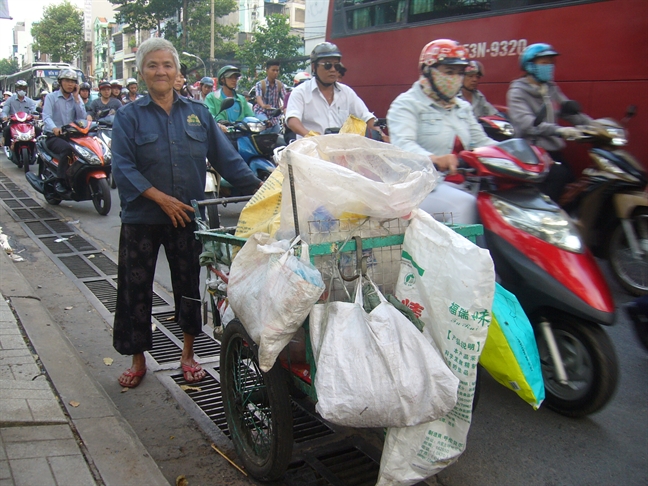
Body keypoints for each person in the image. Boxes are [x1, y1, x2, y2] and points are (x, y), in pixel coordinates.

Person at [111, 37, 262, 388]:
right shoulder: (127, 116)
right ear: (142, 73)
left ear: (177, 72)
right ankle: (138, 360)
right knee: (136, 291)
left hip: (187, 219)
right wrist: (161, 199)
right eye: (153, 65)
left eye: (167, 65)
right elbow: (123, 167)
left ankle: (188, 354)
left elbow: (229, 160)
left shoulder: (198, 113)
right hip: (141, 219)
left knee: (189, 288)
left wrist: (263, 188)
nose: (160, 71)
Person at [387, 39, 496, 224]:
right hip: (424, 187)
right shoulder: (406, 104)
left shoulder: (462, 107)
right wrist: (435, 159)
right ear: (428, 71)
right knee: (465, 205)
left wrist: (516, 153)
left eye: (460, 73)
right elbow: (402, 146)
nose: (455, 78)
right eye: (449, 72)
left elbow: (483, 143)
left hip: (466, 183)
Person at [507, 43, 593, 201]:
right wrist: (560, 131)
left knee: (574, 183)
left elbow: (568, 111)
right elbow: (527, 123)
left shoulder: (550, 89)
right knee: (559, 176)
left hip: (552, 151)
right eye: (544, 63)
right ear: (530, 66)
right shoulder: (517, 91)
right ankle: (541, 218)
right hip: (531, 151)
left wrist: (595, 126)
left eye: (551, 63)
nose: (549, 67)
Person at [286, 42, 376, 138]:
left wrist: (382, 135)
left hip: (340, 149)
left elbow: (366, 116)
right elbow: (293, 120)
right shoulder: (300, 92)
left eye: (336, 66)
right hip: (310, 149)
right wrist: (310, 136)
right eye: (327, 65)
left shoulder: (347, 92)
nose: (333, 69)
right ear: (314, 67)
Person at [42, 69, 86, 194]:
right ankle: (60, 181)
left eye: (73, 82)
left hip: (72, 136)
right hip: (54, 136)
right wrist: (54, 128)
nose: (70, 84)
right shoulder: (51, 97)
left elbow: (82, 117)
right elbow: (46, 116)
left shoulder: (76, 98)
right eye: (67, 81)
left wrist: (77, 98)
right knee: (67, 150)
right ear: (60, 82)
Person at [204, 65, 255, 130]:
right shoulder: (212, 97)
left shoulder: (241, 99)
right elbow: (208, 115)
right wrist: (219, 121)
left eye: (235, 78)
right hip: (220, 135)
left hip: (241, 135)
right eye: (230, 77)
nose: (234, 80)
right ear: (222, 79)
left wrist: (261, 122)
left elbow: (251, 117)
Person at [253, 59, 286, 132]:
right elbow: (259, 98)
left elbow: (285, 99)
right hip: (261, 113)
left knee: (277, 138)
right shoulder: (260, 84)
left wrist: (283, 107)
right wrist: (263, 105)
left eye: (277, 70)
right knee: (264, 130)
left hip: (274, 116)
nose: (275, 73)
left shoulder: (280, 85)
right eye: (273, 70)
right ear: (267, 70)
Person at [2, 80, 37, 146]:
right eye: (20, 88)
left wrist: (35, 116)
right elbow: (5, 111)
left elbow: (33, 111)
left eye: (24, 89)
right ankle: (8, 147)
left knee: (38, 130)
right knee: (6, 130)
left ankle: (37, 148)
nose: (22, 90)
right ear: (16, 89)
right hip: (14, 123)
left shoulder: (30, 101)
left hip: (27, 123)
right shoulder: (10, 100)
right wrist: (4, 116)